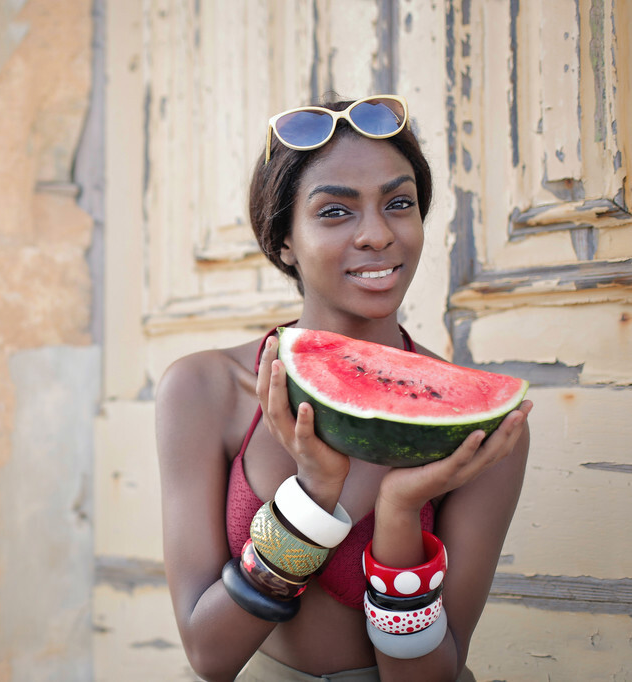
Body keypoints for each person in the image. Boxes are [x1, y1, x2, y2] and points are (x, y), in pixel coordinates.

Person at [154, 95, 533, 682]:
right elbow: (210, 654)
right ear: (283, 240)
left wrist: (400, 514)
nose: (378, 235)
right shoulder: (205, 391)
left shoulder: (477, 425)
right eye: (335, 212)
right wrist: (312, 497)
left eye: (399, 204)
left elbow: (428, 676)